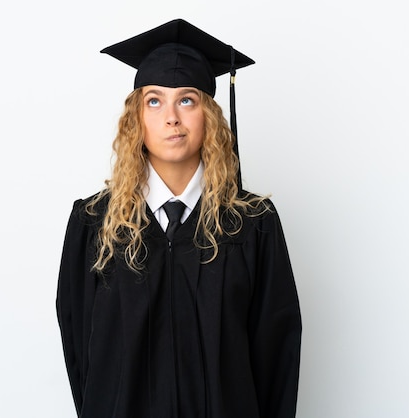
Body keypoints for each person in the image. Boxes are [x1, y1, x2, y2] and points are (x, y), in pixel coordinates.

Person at [56, 18, 302, 418]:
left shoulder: (252, 224)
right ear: (136, 118)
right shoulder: (93, 224)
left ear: (209, 115)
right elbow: (80, 351)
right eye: (154, 100)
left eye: (186, 100)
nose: (172, 117)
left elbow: (276, 354)